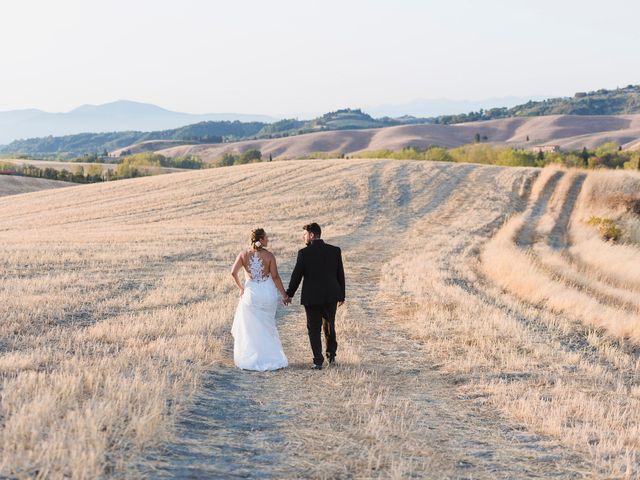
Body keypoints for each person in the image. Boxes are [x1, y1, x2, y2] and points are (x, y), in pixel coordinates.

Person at [285, 223, 345, 370]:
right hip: (331, 296)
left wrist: (289, 294)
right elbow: (340, 274)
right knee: (330, 326)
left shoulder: (304, 253)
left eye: (305, 234)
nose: (303, 237)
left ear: (312, 235)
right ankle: (331, 357)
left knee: (313, 329)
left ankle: (318, 361)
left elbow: (296, 276)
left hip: (311, 298)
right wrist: (342, 295)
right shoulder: (334, 251)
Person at [230, 228, 289, 371]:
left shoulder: (243, 255)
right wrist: (284, 295)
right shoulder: (269, 256)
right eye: (266, 238)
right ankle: (271, 357)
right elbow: (275, 277)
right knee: (268, 326)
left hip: (251, 294)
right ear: (260, 240)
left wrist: (241, 287)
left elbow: (233, 272)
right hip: (267, 294)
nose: (268, 240)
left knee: (252, 328)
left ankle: (253, 357)